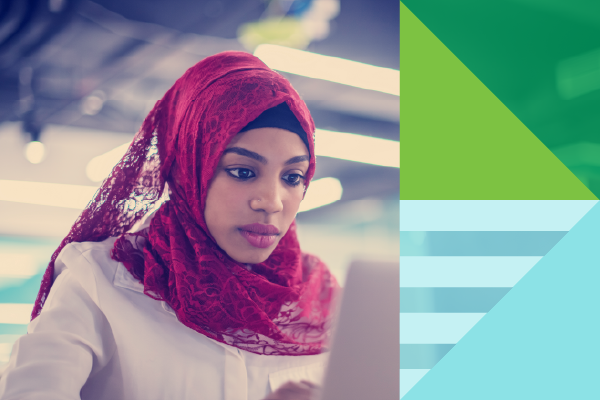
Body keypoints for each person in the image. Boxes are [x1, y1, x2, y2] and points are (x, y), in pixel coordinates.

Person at [0, 51, 339, 400]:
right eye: (242, 172)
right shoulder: (98, 281)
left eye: (293, 177)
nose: (272, 201)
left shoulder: (323, 296)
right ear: (189, 168)